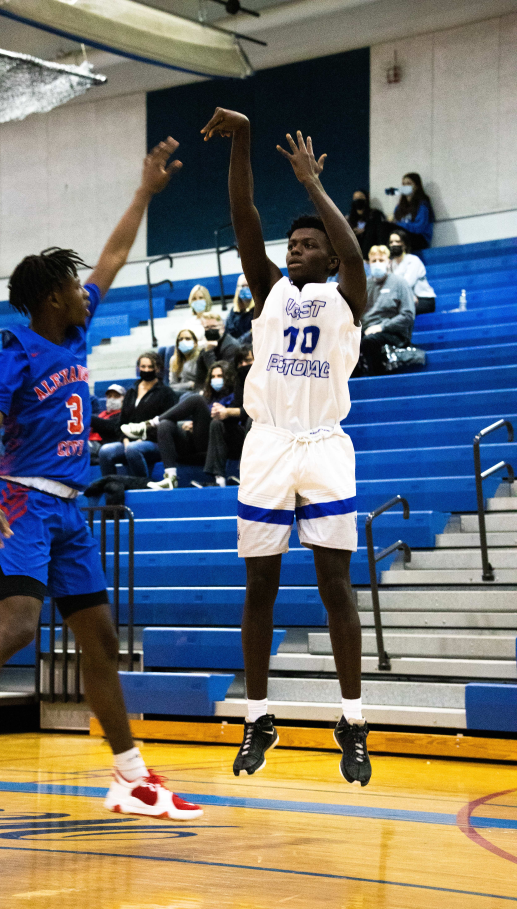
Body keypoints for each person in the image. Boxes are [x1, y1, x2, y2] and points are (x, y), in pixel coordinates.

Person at [0, 137, 202, 823]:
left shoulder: (75, 334)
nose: (86, 291)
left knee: (100, 640)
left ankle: (130, 778)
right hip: (21, 503)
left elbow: (114, 255)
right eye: (73, 287)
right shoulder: (17, 354)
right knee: (18, 627)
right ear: (49, 299)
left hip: (68, 511)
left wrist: (144, 192)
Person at [201, 107, 371, 786]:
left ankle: (352, 721)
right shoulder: (268, 292)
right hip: (268, 444)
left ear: (327, 255)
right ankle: (257, 716)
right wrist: (243, 136)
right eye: (292, 243)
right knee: (259, 587)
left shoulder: (345, 297)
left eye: (307, 244)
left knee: (335, 586)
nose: (295, 249)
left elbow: (352, 255)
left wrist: (312, 187)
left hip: (324, 445)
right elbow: (243, 213)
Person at [121, 360, 236, 490]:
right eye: (213, 377)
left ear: (228, 377)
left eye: (220, 376)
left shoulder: (234, 396)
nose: (216, 379)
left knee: (196, 399)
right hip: (198, 439)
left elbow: (233, 422)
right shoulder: (209, 396)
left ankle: (149, 424)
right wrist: (194, 423)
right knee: (166, 424)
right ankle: (170, 478)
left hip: (218, 441)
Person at [98, 352, 177, 478]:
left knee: (133, 449)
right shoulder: (131, 392)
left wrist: (142, 439)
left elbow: (167, 423)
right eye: (143, 366)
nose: (146, 370)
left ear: (157, 369)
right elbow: (122, 422)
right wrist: (125, 440)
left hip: (154, 442)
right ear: (138, 368)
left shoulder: (166, 393)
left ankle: (141, 484)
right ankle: (110, 485)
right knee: (105, 451)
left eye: (150, 367)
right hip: (129, 441)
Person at [360, 244, 416, 375]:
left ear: (388, 262)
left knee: (370, 341)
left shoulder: (399, 282)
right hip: (367, 330)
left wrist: (382, 327)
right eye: (374, 261)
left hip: (393, 333)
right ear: (369, 263)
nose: (377, 263)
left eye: (381, 260)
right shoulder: (365, 285)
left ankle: (376, 379)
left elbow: (408, 315)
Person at [203, 346, 253, 486]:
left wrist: (228, 412)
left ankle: (246, 476)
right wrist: (221, 413)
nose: (244, 365)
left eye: (248, 361)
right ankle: (218, 478)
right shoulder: (240, 380)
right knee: (217, 423)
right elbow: (237, 405)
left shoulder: (267, 380)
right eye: (240, 362)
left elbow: (258, 411)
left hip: (264, 431)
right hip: (241, 434)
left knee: (252, 421)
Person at [388, 230, 436, 315]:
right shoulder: (390, 264)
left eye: (397, 241)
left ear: (404, 245)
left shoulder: (413, 260)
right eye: (391, 242)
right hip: (403, 300)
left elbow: (407, 283)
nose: (394, 244)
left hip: (423, 299)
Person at [194, 311, 240, 389]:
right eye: (206, 327)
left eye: (213, 326)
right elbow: (200, 377)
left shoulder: (231, 346)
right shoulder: (206, 346)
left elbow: (221, 375)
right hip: (208, 389)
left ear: (222, 328)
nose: (210, 330)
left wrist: (209, 351)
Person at [391, 173, 434, 251]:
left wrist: (399, 225)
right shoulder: (398, 207)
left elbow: (419, 228)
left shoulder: (422, 205)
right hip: (403, 237)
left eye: (409, 183)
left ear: (417, 186)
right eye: (403, 184)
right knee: (383, 226)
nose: (405, 186)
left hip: (419, 239)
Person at [346, 189, 385, 259]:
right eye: (355, 198)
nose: (358, 200)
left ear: (366, 199)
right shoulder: (350, 218)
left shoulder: (374, 215)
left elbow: (379, 234)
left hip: (371, 251)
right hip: (355, 253)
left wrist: (365, 230)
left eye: (360, 197)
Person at [224, 274, 254, 344]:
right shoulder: (233, 312)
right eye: (243, 286)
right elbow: (227, 334)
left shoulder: (260, 311)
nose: (245, 288)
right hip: (235, 347)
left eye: (248, 285)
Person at [169, 328, 199, 393]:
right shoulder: (174, 360)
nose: (184, 341)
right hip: (180, 392)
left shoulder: (200, 358)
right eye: (181, 339)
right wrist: (189, 385)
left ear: (195, 343)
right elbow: (172, 385)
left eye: (188, 339)